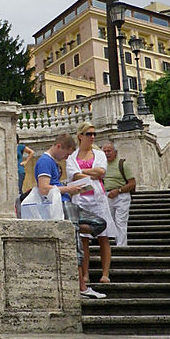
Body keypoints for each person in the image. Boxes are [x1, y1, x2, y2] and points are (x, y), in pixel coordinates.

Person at [34, 132, 106, 299]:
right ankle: (81, 287)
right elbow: (44, 188)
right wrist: (69, 189)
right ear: (59, 146)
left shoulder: (51, 162)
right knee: (76, 245)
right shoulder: (45, 161)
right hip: (62, 204)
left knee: (99, 223)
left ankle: (71, 228)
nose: (67, 158)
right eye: (66, 154)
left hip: (65, 203)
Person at [66, 122, 114, 286]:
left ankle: (105, 273)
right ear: (80, 136)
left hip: (97, 198)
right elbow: (73, 175)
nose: (92, 137)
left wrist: (83, 172)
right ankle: (85, 273)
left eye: (94, 134)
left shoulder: (99, 154)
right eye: (89, 134)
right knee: (83, 238)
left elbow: (101, 172)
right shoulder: (72, 157)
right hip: (81, 199)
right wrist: (91, 173)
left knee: (103, 236)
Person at [101, 140, 136, 247]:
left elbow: (132, 183)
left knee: (120, 222)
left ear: (115, 152)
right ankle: (115, 243)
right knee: (110, 222)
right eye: (104, 151)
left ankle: (121, 246)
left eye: (109, 151)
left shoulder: (122, 164)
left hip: (121, 196)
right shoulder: (102, 166)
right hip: (107, 196)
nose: (107, 154)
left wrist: (118, 191)